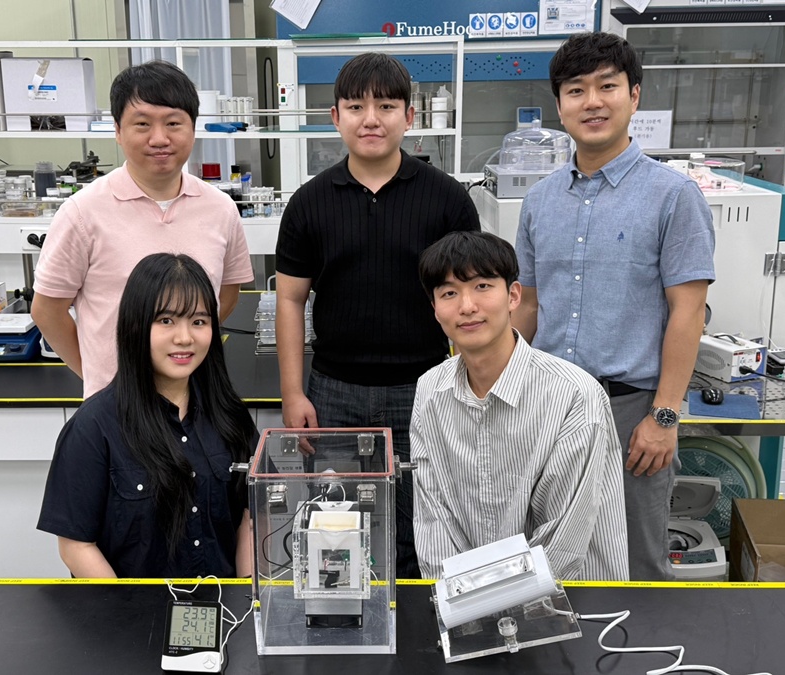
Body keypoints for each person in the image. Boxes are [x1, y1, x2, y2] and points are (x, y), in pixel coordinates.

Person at [513, 32, 715, 580]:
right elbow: (527, 306)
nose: (592, 102)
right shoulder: (539, 200)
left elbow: (688, 313)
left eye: (607, 86)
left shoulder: (673, 196)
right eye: (576, 90)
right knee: (546, 553)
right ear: (560, 105)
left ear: (634, 95)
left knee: (637, 559)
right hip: (548, 406)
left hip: (631, 413)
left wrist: (664, 417)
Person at [274, 52, 481, 578]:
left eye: (386, 106)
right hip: (334, 392)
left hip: (426, 389)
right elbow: (290, 300)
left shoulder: (447, 199)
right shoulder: (308, 203)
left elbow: (470, 301)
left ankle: (415, 623)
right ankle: (343, 620)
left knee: (425, 528)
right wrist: (293, 393)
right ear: (335, 116)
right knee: (336, 531)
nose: (371, 119)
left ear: (409, 117)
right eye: (356, 106)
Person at [412, 231, 629, 581]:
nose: (467, 306)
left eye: (482, 286)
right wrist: (457, 598)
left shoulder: (573, 395)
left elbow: (561, 544)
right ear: (435, 308)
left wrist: (482, 599)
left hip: (573, 600)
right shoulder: (430, 391)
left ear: (513, 295)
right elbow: (433, 519)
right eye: (449, 293)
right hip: (468, 602)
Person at [32, 60, 254, 399]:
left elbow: (226, 295)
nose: (160, 138)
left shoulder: (220, 208)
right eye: (142, 124)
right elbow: (47, 311)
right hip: (118, 407)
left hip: (195, 398)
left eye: (173, 123)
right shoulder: (82, 213)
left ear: (193, 128)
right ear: (118, 131)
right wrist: (101, 380)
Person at [37, 253, 258, 578]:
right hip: (131, 609)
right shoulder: (93, 428)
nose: (185, 338)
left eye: (198, 321)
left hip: (221, 606)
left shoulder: (231, 418)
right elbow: (75, 546)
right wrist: (123, 607)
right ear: (136, 325)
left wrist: (244, 596)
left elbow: (250, 518)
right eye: (166, 321)